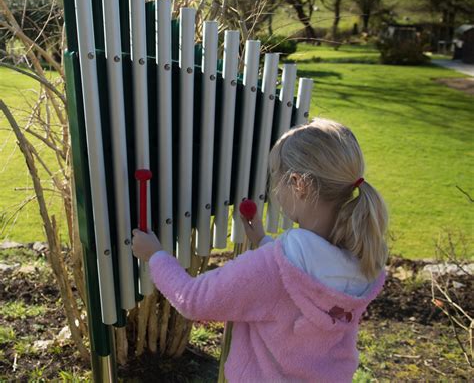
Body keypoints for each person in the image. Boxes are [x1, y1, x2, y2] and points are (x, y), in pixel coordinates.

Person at [132, 117, 388, 382]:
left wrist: (155, 255)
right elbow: (293, 289)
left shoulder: (275, 267)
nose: (275, 191)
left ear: (299, 184)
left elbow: (193, 299)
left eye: (276, 176)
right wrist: (263, 242)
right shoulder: (363, 261)